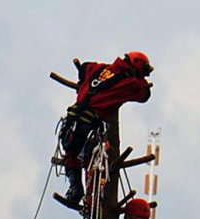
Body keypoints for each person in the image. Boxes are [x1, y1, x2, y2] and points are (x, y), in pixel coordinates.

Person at [59, 52, 154, 203]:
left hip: (72, 123)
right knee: (94, 164)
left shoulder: (98, 68)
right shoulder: (131, 83)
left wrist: (84, 84)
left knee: (72, 155)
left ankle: (75, 189)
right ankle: (91, 200)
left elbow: (84, 68)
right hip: (89, 128)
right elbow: (144, 95)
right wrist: (140, 80)